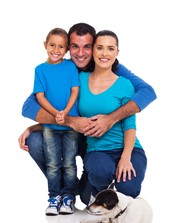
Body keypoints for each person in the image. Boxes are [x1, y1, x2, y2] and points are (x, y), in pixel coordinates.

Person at [18, 23, 156, 206]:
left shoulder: (113, 68)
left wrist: (110, 119)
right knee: (35, 140)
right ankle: (64, 190)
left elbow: (147, 92)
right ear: (68, 48)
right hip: (78, 138)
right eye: (75, 46)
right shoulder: (64, 69)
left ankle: (91, 184)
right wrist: (66, 122)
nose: (81, 53)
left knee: (93, 195)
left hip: (103, 140)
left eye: (88, 47)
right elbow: (29, 106)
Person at [78, 30, 147, 206]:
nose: (104, 53)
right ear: (92, 50)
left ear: (117, 53)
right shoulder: (79, 79)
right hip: (97, 150)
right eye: (100, 48)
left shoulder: (125, 84)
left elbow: (130, 124)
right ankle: (97, 182)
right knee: (100, 174)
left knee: (129, 188)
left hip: (127, 148)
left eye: (110, 49)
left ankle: (116, 191)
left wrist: (126, 157)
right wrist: (34, 127)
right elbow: (63, 109)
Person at [31, 28, 80, 215]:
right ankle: (54, 197)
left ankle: (68, 197)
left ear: (67, 49)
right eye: (52, 45)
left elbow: (75, 90)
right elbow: (40, 96)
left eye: (61, 46)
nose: (56, 50)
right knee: (52, 163)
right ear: (45, 45)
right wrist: (56, 114)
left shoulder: (70, 67)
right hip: (50, 126)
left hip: (70, 126)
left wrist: (66, 113)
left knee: (69, 163)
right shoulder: (40, 70)